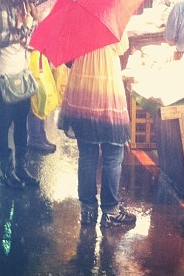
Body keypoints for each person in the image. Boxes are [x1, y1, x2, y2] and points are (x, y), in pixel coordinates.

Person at [58, 34, 136, 228]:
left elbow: (68, 60)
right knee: (112, 154)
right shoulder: (113, 18)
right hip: (107, 90)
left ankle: (88, 211)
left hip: (82, 90)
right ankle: (110, 211)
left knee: (87, 155)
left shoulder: (76, 21)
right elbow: (122, 47)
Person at [0, 0, 40, 189]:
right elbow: (1, 38)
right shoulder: (3, 9)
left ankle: (21, 167)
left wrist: (35, 20)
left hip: (22, 73)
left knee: (21, 120)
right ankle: (7, 169)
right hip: (5, 75)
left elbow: (30, 41)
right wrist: (23, 26)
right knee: (5, 121)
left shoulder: (25, 8)